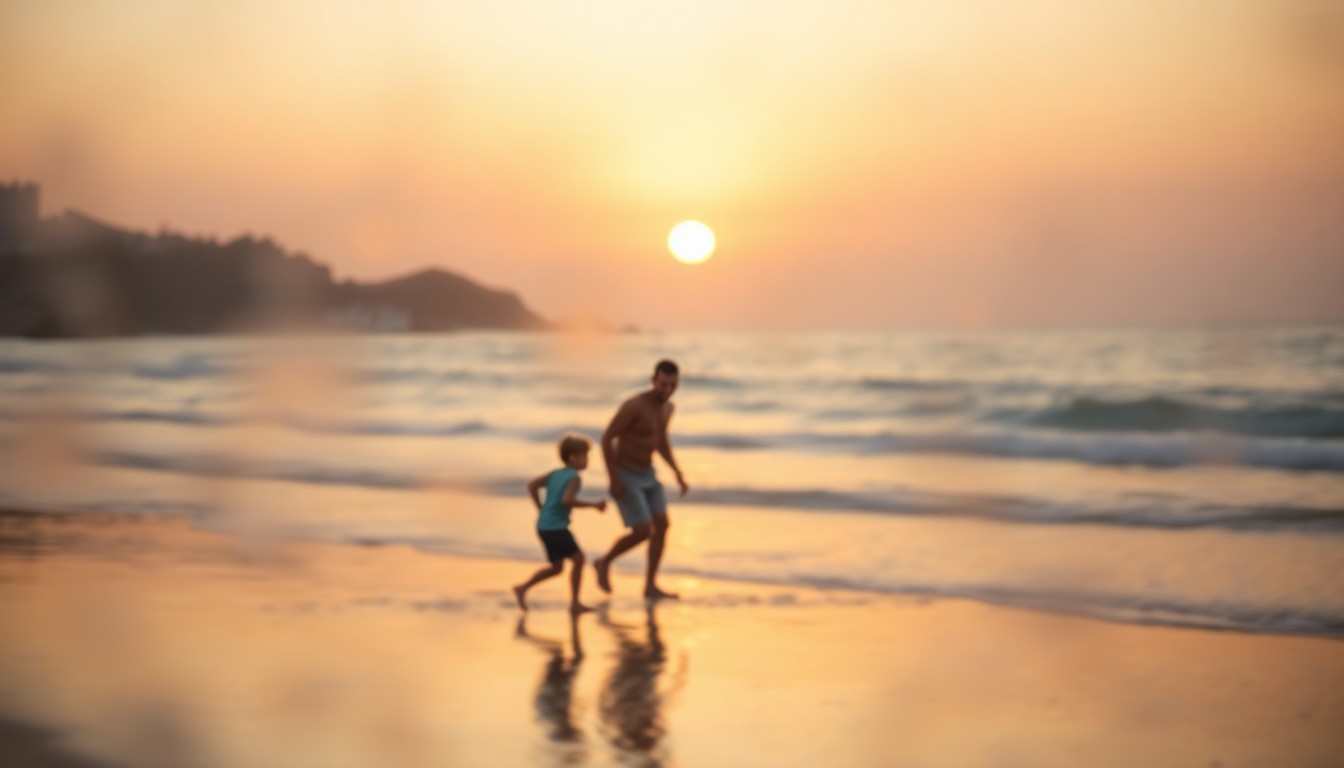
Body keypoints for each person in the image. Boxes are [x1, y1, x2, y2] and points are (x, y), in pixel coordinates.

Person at [594, 359, 689, 600]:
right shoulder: (634, 406)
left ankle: (650, 585)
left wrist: (677, 472)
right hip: (625, 473)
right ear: (653, 380)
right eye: (663, 384)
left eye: (672, 385)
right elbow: (607, 439)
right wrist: (614, 478)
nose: (667, 390)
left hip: (648, 473)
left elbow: (660, 441)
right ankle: (604, 562)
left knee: (663, 526)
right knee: (643, 530)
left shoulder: (669, 408)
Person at [513, 434, 607, 614]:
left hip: (543, 526)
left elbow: (532, 485)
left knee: (557, 568)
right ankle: (575, 604)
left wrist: (541, 508)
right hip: (556, 527)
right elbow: (567, 500)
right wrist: (594, 505)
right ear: (572, 457)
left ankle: (523, 587)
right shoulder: (574, 477)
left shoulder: (556, 474)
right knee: (579, 559)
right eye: (584, 456)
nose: (587, 460)